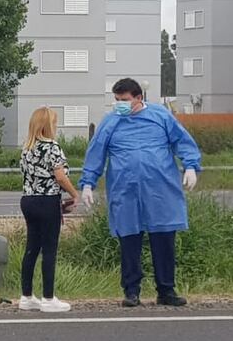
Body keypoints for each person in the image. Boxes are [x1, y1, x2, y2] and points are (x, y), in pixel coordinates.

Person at [78, 78, 202, 308]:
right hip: (125, 191)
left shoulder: (160, 116)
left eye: (124, 100)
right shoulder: (110, 122)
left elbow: (181, 140)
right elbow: (96, 152)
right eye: (116, 100)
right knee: (129, 240)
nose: (120, 104)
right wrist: (88, 183)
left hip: (160, 189)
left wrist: (191, 166)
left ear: (138, 98)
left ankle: (166, 290)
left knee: (164, 240)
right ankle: (131, 291)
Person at [18, 107, 80, 313]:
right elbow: (60, 176)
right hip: (47, 200)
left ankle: (26, 296)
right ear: (48, 125)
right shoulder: (52, 147)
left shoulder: (27, 148)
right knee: (49, 249)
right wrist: (74, 194)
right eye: (54, 123)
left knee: (32, 248)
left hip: (29, 200)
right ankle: (48, 297)